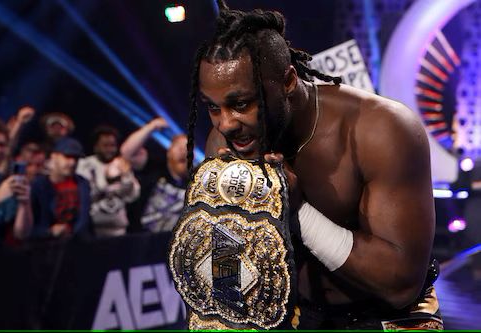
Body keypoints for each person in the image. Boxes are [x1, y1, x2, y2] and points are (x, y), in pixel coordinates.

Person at [183, 1, 441, 330]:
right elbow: (226, 281)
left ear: (288, 81)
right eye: (213, 108)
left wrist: (297, 211)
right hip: (302, 313)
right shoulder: (225, 143)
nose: (226, 124)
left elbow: (399, 285)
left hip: (395, 315)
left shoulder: (381, 129)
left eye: (241, 103)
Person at [121, 118, 188, 233]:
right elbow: (127, 153)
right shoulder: (155, 168)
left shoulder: (197, 181)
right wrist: (152, 126)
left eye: (188, 147)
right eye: (179, 147)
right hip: (142, 240)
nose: (183, 151)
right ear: (169, 152)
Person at [77, 125, 139, 237]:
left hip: (119, 229)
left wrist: (126, 176)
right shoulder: (85, 165)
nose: (110, 149)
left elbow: (133, 195)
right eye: (105, 146)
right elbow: (85, 195)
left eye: (113, 145)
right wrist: (108, 183)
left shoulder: (121, 164)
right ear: (96, 146)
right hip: (93, 231)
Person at [0, 116, 33, 248]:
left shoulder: (6, 182)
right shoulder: (3, 189)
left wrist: (24, 204)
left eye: (2, 145)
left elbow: (21, 233)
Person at [31, 137, 90, 239]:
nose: (72, 163)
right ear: (54, 156)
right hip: (45, 246)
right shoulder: (38, 186)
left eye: (76, 158)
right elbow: (27, 227)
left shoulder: (83, 184)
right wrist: (49, 231)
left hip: (77, 244)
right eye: (67, 157)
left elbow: (84, 220)